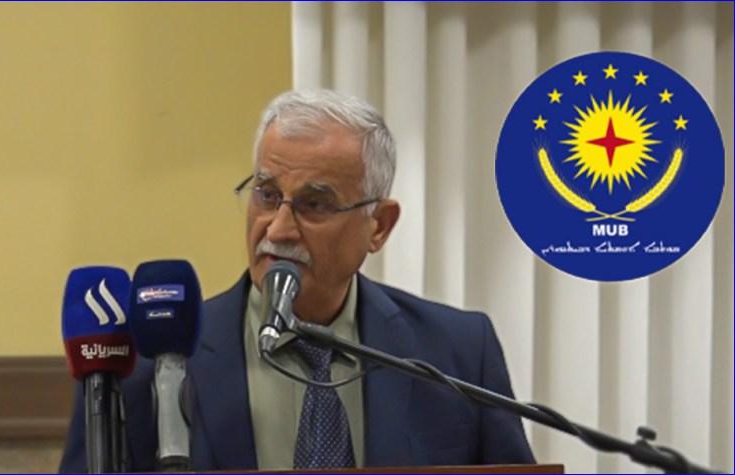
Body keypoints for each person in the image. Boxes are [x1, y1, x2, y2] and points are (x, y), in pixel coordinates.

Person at [60, 89, 535, 471]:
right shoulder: (144, 366)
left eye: (315, 204)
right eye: (267, 195)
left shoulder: (456, 354)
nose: (278, 229)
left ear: (378, 226)